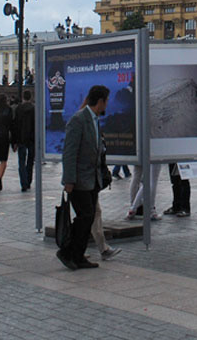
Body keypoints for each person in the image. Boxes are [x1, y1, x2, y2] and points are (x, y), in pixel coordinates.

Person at [58, 85, 110, 270]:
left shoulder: (94, 120)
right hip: (79, 180)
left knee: (87, 217)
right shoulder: (78, 119)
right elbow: (69, 152)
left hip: (92, 179)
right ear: (101, 101)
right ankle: (67, 251)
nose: (107, 105)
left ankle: (78, 256)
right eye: (106, 101)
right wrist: (69, 180)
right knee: (85, 215)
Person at [13, 89, 36, 191]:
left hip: (21, 138)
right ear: (30, 97)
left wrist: (14, 141)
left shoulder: (18, 109)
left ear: (23, 97)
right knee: (30, 161)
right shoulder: (34, 108)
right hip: (32, 139)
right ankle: (29, 180)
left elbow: (15, 125)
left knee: (21, 162)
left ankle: (23, 183)